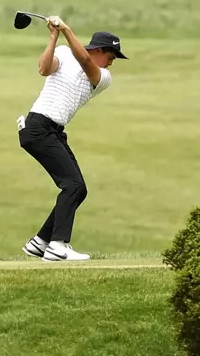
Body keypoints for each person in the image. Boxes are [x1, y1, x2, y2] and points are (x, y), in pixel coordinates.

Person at [17, 16, 127, 262]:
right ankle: (57, 246)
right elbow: (44, 69)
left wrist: (66, 29)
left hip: (52, 131)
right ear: (100, 50)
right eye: (111, 57)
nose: (111, 63)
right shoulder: (65, 52)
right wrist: (54, 37)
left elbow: (85, 61)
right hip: (38, 127)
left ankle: (41, 242)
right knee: (72, 185)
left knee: (79, 189)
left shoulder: (102, 77)